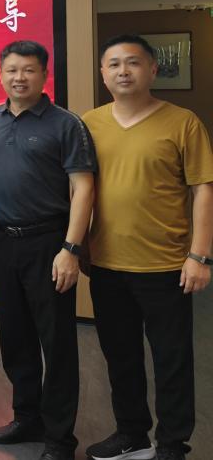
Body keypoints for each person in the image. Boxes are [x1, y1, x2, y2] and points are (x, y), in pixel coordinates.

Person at [82, 34, 213, 460]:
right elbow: (79, 189)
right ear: (103, 74)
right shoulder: (89, 124)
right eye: (114, 64)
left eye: (133, 62)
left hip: (166, 265)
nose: (123, 71)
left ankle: (173, 444)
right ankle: (131, 432)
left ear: (152, 69)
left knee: (172, 360)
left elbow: (203, 189)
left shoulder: (183, 122)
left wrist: (199, 255)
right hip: (106, 263)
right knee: (120, 357)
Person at [0, 40, 96, 460]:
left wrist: (71, 248)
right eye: (11, 69)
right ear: (0, 73)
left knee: (57, 343)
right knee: (15, 337)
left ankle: (60, 439)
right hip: (2, 242)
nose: (19, 77)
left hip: (49, 243)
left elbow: (84, 188)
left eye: (29, 70)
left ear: (45, 75)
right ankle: (27, 417)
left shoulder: (66, 124)